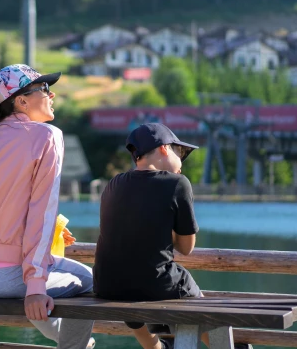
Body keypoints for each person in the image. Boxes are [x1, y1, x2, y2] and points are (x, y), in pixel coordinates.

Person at [0, 64, 95, 349]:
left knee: (79, 274)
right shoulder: (47, 136)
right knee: (91, 282)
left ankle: (70, 341)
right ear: (21, 101)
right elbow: (42, 213)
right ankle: (72, 344)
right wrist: (36, 287)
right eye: (45, 89)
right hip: (3, 278)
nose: (52, 95)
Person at [93, 123, 251, 349]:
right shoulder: (177, 183)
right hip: (155, 285)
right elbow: (186, 248)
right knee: (186, 290)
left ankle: (156, 347)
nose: (182, 163)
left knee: (133, 288)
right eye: (181, 154)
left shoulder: (114, 184)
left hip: (106, 285)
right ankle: (226, 347)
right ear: (165, 148)